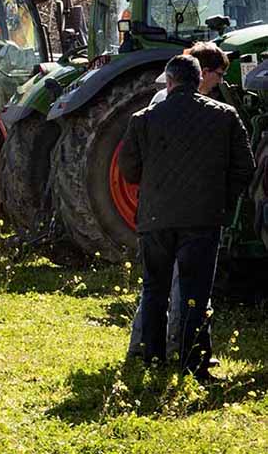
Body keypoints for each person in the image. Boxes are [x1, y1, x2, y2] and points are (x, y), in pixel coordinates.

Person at [119, 54, 254, 381]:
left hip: (155, 218)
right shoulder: (225, 116)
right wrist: (221, 200)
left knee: (155, 290)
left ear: (169, 82)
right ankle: (194, 364)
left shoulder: (143, 119)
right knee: (196, 293)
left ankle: (152, 358)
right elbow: (245, 167)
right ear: (200, 80)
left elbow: (129, 170)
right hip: (203, 218)